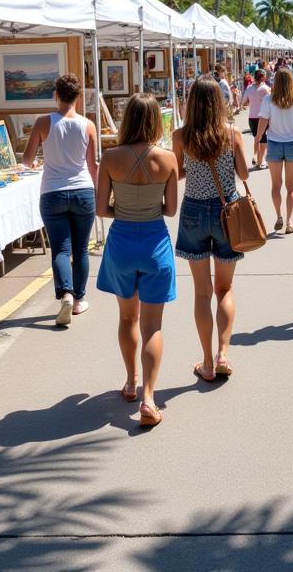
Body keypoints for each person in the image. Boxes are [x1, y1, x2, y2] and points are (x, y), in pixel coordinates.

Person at [96, 94, 178, 425]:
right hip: (155, 242)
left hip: (121, 242)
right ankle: (148, 399)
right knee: (152, 325)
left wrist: (125, 210)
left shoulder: (110, 157)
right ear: (157, 121)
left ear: (126, 119)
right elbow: (170, 209)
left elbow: (101, 209)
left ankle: (130, 381)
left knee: (128, 319)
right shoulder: (169, 159)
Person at [173, 76, 249, 383]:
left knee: (202, 292)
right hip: (226, 212)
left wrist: (195, 167)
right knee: (225, 289)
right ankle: (223, 354)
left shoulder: (181, 136)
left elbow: (177, 172)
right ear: (219, 102)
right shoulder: (231, 135)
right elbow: (244, 172)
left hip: (193, 210)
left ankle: (205, 361)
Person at [22, 74, 98, 327]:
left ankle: (65, 293)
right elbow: (92, 165)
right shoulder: (88, 125)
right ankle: (79, 300)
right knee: (81, 249)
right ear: (77, 97)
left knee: (61, 249)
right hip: (82, 191)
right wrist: (99, 192)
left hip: (52, 192)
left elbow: (26, 160)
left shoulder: (43, 122)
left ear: (56, 95)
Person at [254, 68, 293, 234]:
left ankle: (278, 215)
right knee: (291, 186)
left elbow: (263, 121)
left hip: (274, 144)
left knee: (276, 185)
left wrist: (257, 139)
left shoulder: (269, 100)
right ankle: (289, 221)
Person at [240, 68, 271, 170]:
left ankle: (257, 158)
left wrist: (250, 102)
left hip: (252, 117)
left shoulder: (249, 88)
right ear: (263, 78)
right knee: (263, 138)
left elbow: (244, 101)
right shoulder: (266, 89)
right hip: (263, 117)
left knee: (256, 138)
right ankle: (260, 161)